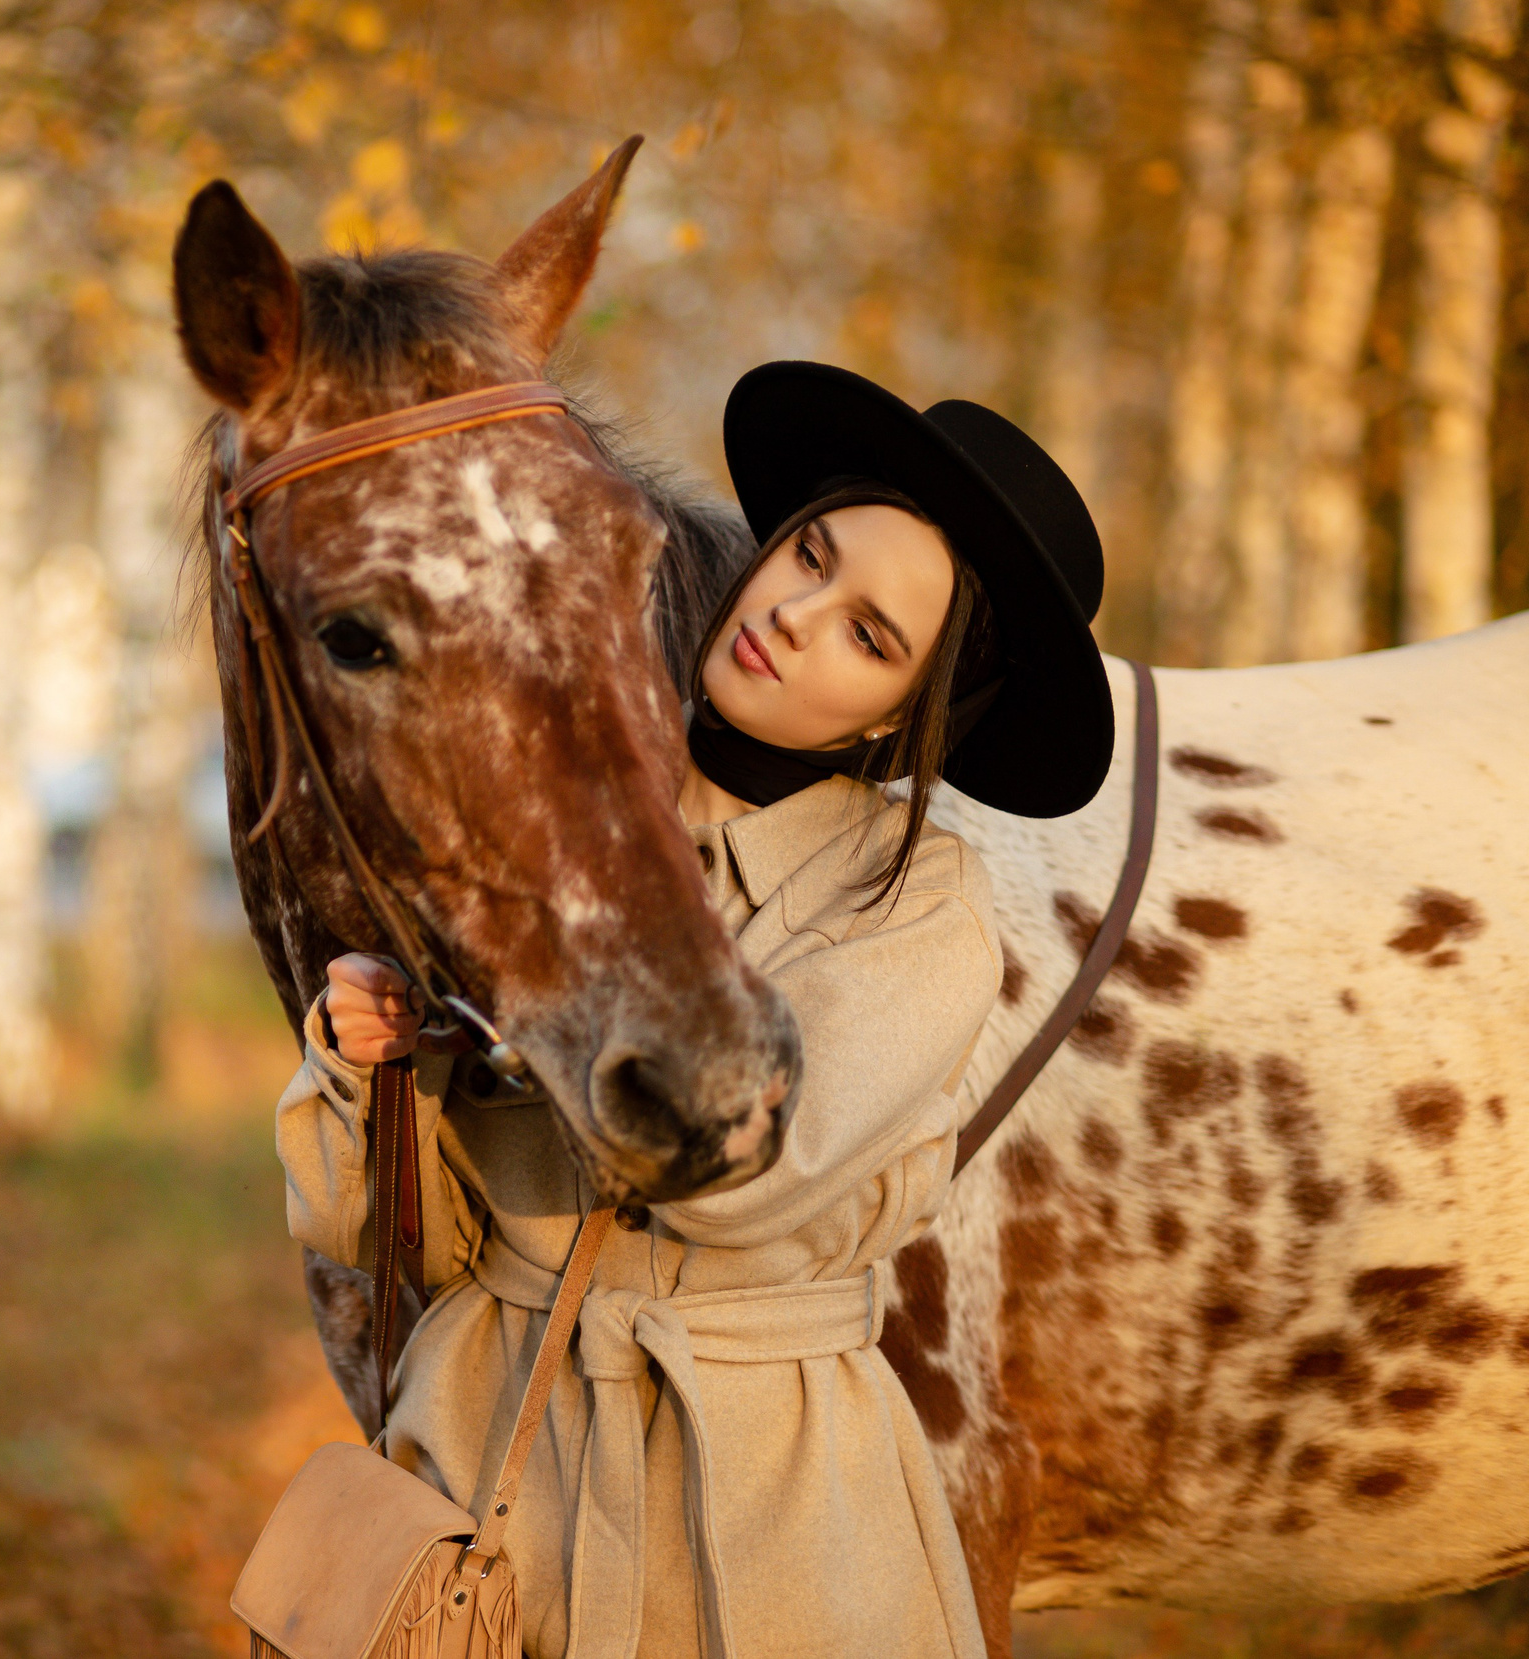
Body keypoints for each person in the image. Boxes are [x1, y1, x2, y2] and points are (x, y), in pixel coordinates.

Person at [275, 360, 1117, 1658]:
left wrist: (520, 1024)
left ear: (912, 717)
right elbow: (375, 1230)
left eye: (870, 635)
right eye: (811, 556)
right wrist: (370, 1055)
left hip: (762, 1525)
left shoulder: (919, 914)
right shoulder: (544, 805)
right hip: (496, 1474)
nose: (796, 613)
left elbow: (729, 1176)